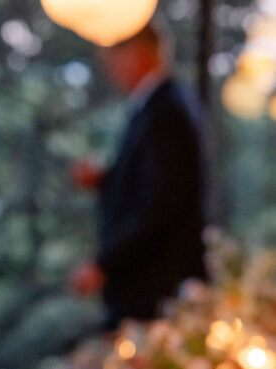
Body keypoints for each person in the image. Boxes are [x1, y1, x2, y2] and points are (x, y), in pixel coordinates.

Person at [70, 19, 206, 328]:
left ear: (135, 54)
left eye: (111, 58)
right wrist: (107, 180)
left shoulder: (166, 111)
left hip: (153, 286)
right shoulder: (156, 107)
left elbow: (161, 202)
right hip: (148, 283)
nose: (109, 70)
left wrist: (105, 264)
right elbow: (155, 183)